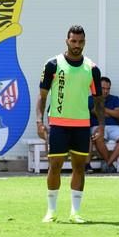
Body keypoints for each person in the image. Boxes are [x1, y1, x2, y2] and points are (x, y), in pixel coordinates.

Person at [36, 25, 103, 224]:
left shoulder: (92, 69)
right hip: (58, 124)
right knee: (54, 166)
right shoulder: (53, 64)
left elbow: (99, 101)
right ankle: (51, 211)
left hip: (82, 126)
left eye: (80, 42)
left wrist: (101, 126)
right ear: (67, 41)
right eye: (73, 41)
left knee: (79, 168)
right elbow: (42, 97)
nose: (77, 45)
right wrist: (39, 121)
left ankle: (75, 212)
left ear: (85, 42)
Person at [85, 76, 119, 173]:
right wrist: (111, 112)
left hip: (114, 126)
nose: (106, 91)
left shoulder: (115, 99)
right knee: (98, 136)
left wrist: (103, 109)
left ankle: (108, 163)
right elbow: (95, 112)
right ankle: (110, 164)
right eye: (103, 88)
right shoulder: (90, 99)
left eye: (108, 89)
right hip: (97, 126)